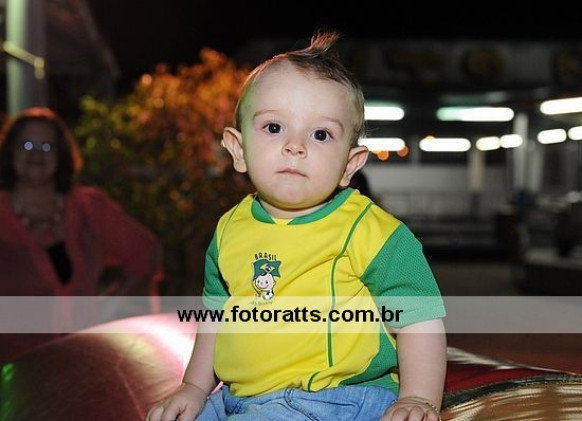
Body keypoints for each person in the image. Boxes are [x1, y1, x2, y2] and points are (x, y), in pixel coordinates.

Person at [147, 31, 446, 421]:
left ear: (349, 165)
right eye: (274, 128)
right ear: (238, 149)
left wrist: (419, 398)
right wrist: (193, 387)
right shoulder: (229, 229)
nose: (295, 146)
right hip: (238, 396)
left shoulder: (372, 233)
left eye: (321, 134)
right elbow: (215, 316)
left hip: (335, 398)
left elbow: (419, 317)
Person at [0, 107, 163, 362]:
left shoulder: (89, 208)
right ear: (11, 152)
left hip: (83, 360)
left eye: (47, 146)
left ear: (61, 155)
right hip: (12, 366)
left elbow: (145, 252)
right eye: (27, 144)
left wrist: (109, 307)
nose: (36, 154)